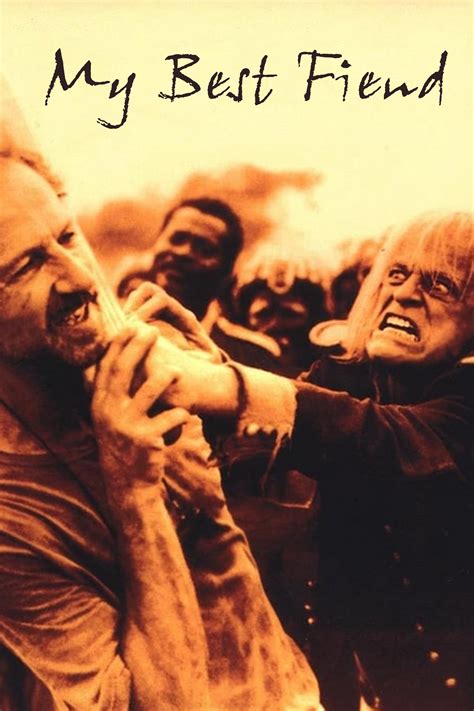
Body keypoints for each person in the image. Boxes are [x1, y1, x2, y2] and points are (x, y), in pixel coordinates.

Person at [0, 151, 321, 710]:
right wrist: (134, 491)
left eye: (69, 236)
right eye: (23, 266)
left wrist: (217, 380)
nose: (83, 278)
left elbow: (278, 511)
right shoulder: (11, 512)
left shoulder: (152, 359)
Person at [151, 211, 474, 711]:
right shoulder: (349, 375)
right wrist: (206, 366)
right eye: (396, 273)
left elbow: (379, 435)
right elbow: (263, 447)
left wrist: (222, 385)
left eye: (440, 285)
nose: (404, 294)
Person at [116, 197, 244, 326]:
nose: (183, 252)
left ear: (227, 271)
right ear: (156, 241)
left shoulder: (232, 340)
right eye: (177, 239)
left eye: (205, 249)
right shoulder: (111, 323)